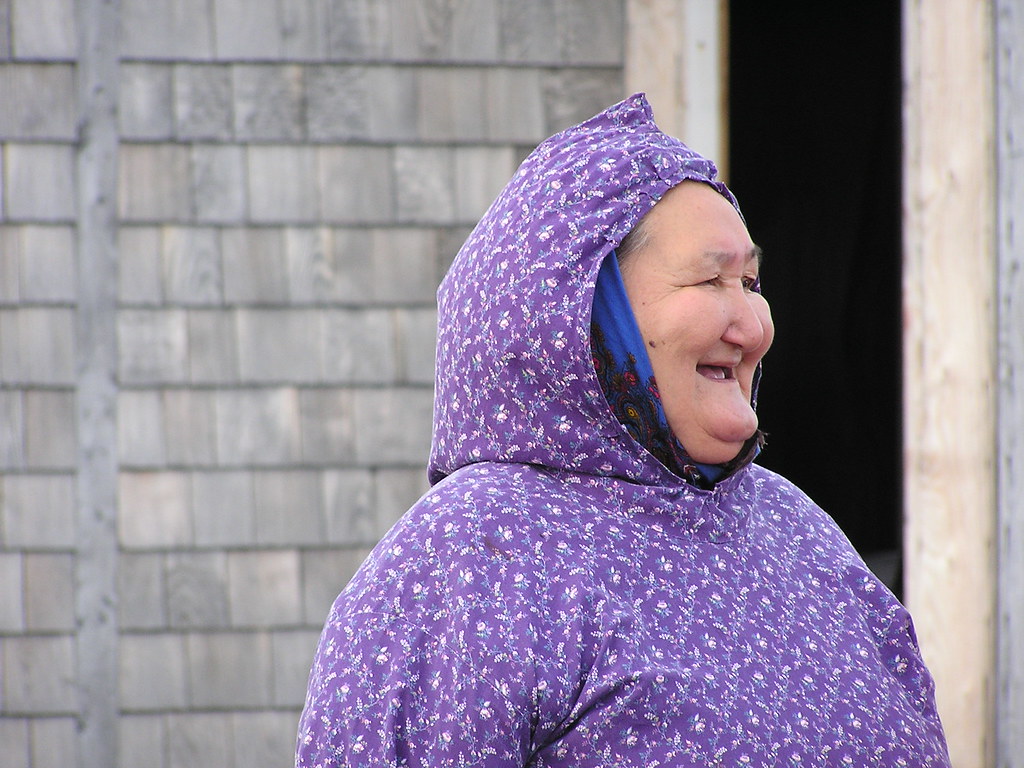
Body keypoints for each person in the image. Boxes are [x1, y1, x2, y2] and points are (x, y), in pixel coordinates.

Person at [296, 94, 951, 767]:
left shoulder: (800, 532)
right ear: (586, 310)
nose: (755, 328)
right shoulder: (470, 561)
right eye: (711, 280)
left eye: (751, 282)